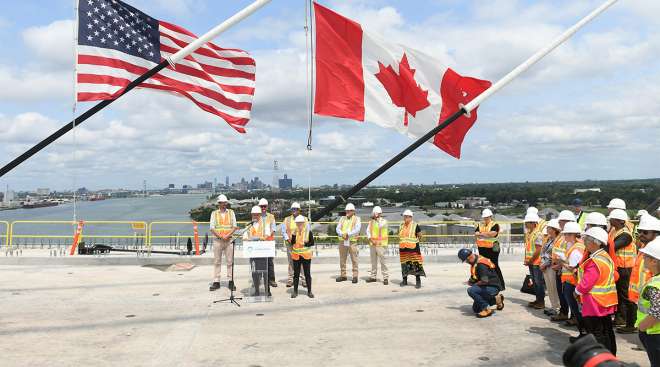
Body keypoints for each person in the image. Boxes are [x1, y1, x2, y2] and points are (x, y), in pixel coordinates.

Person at [574, 227, 618, 355]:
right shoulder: (605, 256)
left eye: (587, 239)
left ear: (595, 242)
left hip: (594, 303)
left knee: (595, 332)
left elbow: (586, 283)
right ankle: (610, 355)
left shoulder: (595, 261)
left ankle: (600, 357)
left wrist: (576, 292)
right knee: (606, 330)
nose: (585, 242)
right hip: (605, 301)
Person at [622, 215, 660, 334]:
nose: (641, 234)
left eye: (645, 232)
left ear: (656, 233)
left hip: (653, 296)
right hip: (644, 296)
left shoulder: (656, 250)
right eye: (639, 231)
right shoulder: (646, 248)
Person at [558, 221, 587, 342]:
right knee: (577, 310)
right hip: (573, 282)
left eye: (566, 234)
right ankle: (583, 333)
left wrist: (562, 263)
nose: (564, 237)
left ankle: (583, 334)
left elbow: (574, 268)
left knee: (576, 310)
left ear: (572, 235)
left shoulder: (576, 248)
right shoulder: (578, 246)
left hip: (572, 283)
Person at [608, 208, 636, 329]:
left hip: (626, 268)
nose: (610, 220)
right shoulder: (615, 230)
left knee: (625, 295)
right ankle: (620, 318)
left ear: (619, 221)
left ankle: (627, 321)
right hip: (618, 267)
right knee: (619, 294)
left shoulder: (625, 234)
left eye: (612, 219)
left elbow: (613, 246)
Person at [458, 248, 504, 318]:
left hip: (493, 287)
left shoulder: (481, 265)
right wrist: (469, 282)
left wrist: (474, 285)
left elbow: (484, 280)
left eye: (466, 261)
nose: (467, 262)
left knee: (471, 290)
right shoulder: (476, 261)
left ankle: (486, 309)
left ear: (469, 257)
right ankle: (497, 300)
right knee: (476, 309)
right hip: (487, 286)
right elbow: (475, 276)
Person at [636, 237, 660, 366]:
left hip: (654, 333)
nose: (643, 257)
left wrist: (642, 327)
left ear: (654, 261)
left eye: (646, 256)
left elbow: (657, 312)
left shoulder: (655, 284)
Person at [209, 194, 238, 291]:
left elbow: (234, 226)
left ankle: (230, 280)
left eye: (225, 203)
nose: (224, 204)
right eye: (222, 203)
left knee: (230, 262)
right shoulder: (214, 213)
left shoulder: (231, 213)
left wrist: (226, 235)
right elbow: (212, 228)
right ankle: (216, 281)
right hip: (218, 241)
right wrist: (220, 236)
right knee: (217, 261)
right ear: (219, 203)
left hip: (229, 240)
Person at [244, 205, 272, 297]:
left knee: (265, 272)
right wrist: (249, 239)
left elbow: (267, 235)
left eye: (257, 215)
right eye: (253, 215)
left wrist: (256, 238)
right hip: (252, 251)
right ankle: (257, 290)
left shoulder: (265, 223)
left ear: (260, 215)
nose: (255, 216)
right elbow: (245, 237)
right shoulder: (248, 225)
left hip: (263, 251)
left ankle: (267, 290)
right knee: (254, 272)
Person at [475, 208, 505, 290]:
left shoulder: (495, 224)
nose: (485, 219)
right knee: (484, 266)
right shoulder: (480, 224)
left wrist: (482, 234)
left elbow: (492, 234)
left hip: (494, 247)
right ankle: (488, 283)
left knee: (494, 265)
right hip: (482, 248)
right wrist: (485, 234)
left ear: (490, 216)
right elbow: (476, 234)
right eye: (484, 217)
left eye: (487, 217)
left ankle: (501, 285)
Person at [282, 202, 308, 288]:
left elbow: (308, 231)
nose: (294, 211)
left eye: (296, 209)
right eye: (293, 209)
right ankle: (290, 280)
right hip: (290, 244)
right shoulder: (287, 219)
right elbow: (283, 231)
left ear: (299, 210)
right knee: (291, 262)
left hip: (301, 244)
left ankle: (304, 280)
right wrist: (287, 239)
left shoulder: (304, 219)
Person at [541, 219, 563, 317]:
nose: (547, 229)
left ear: (554, 229)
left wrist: (545, 264)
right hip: (546, 266)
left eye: (549, 227)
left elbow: (553, 255)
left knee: (554, 288)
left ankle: (557, 307)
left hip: (551, 266)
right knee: (550, 288)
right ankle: (553, 306)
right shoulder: (549, 239)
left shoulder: (558, 240)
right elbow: (544, 252)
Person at [524, 211, 546, 309]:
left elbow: (538, 250)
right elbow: (529, 248)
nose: (526, 224)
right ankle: (538, 299)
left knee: (538, 282)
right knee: (535, 282)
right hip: (531, 262)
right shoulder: (529, 233)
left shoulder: (538, 234)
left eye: (527, 222)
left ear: (533, 223)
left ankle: (541, 302)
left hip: (536, 262)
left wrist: (531, 260)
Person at [399, 209, 425, 288]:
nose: (404, 218)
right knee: (404, 265)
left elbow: (420, 235)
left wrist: (416, 242)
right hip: (403, 249)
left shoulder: (415, 225)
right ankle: (404, 280)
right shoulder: (401, 225)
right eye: (404, 217)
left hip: (413, 249)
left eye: (405, 217)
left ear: (410, 217)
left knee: (416, 265)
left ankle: (418, 282)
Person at [336, 203, 361, 283]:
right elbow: (338, 228)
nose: (347, 212)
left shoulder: (357, 219)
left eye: (349, 210)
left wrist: (348, 234)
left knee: (354, 259)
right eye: (346, 210)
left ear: (353, 211)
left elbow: (357, 229)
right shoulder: (342, 218)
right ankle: (343, 275)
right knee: (342, 259)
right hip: (342, 241)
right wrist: (342, 234)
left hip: (352, 242)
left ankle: (355, 276)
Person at [290, 215, 315, 299]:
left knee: (307, 274)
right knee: (296, 274)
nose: (299, 225)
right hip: (296, 255)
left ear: (303, 223)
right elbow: (292, 243)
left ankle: (309, 291)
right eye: (297, 223)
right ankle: (295, 291)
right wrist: (293, 235)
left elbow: (312, 242)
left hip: (306, 255)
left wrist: (305, 244)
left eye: (300, 223)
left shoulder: (308, 232)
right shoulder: (295, 231)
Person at [366, 206, 389, 285]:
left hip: (381, 245)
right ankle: (373, 277)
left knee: (383, 262)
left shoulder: (384, 221)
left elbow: (380, 226)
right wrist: (370, 239)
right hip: (372, 244)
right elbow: (368, 231)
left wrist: (376, 219)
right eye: (375, 213)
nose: (375, 215)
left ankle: (385, 277)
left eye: (377, 213)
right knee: (373, 261)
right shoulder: (371, 222)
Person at [258, 198, 277, 288]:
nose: (263, 208)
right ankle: (259, 279)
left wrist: (267, 238)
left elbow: (273, 229)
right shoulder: (256, 216)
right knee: (259, 262)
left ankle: (271, 280)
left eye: (264, 206)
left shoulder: (271, 216)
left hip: (269, 242)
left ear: (267, 206)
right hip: (259, 242)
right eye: (261, 206)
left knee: (269, 262)